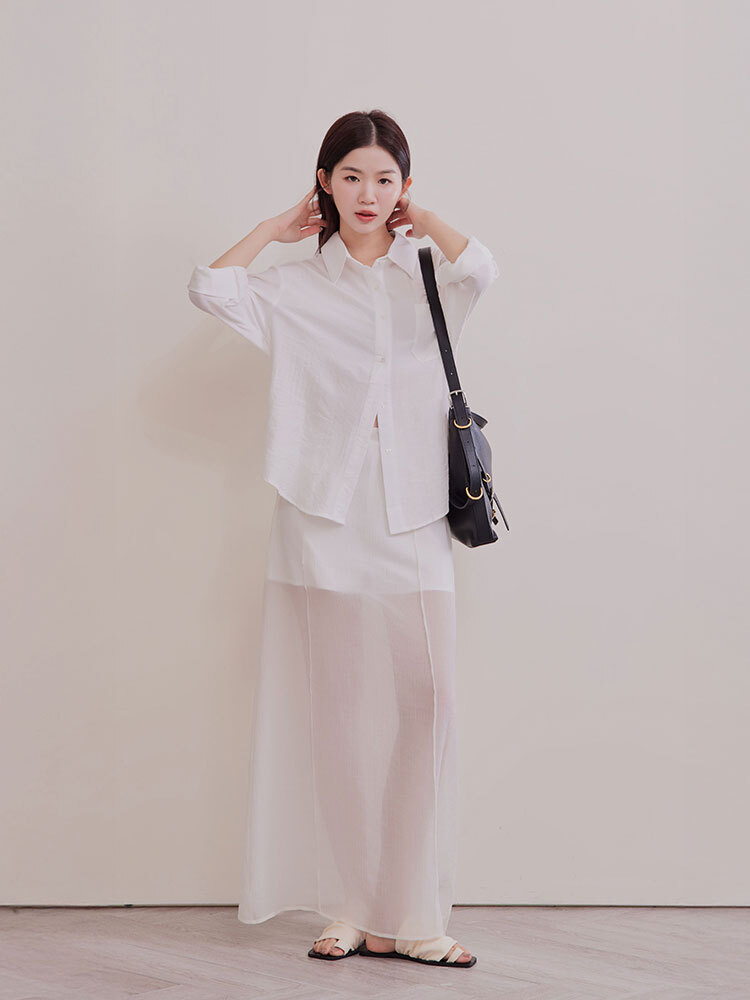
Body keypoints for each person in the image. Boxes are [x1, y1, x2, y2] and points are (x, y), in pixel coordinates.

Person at [186, 109, 499, 970]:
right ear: (324, 181)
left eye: (385, 178)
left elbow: (486, 267)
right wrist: (275, 228)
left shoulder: (428, 276)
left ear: (404, 187)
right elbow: (210, 287)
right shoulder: (294, 286)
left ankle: (415, 912)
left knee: (427, 704)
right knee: (340, 718)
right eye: (352, 175)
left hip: (415, 517)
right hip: (323, 519)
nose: (368, 193)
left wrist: (423, 220)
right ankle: (352, 909)